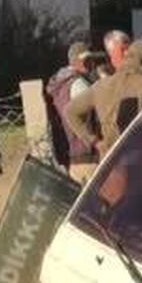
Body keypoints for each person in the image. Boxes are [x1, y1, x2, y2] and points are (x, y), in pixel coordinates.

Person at [64, 38, 142, 158]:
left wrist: (94, 141)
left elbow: (69, 111)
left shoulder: (101, 85)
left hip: (109, 160)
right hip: (137, 159)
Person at [47, 41, 100, 183]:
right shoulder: (79, 84)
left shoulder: (59, 84)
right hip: (86, 153)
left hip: (70, 153)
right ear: (80, 61)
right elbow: (98, 112)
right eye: (88, 60)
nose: (92, 64)